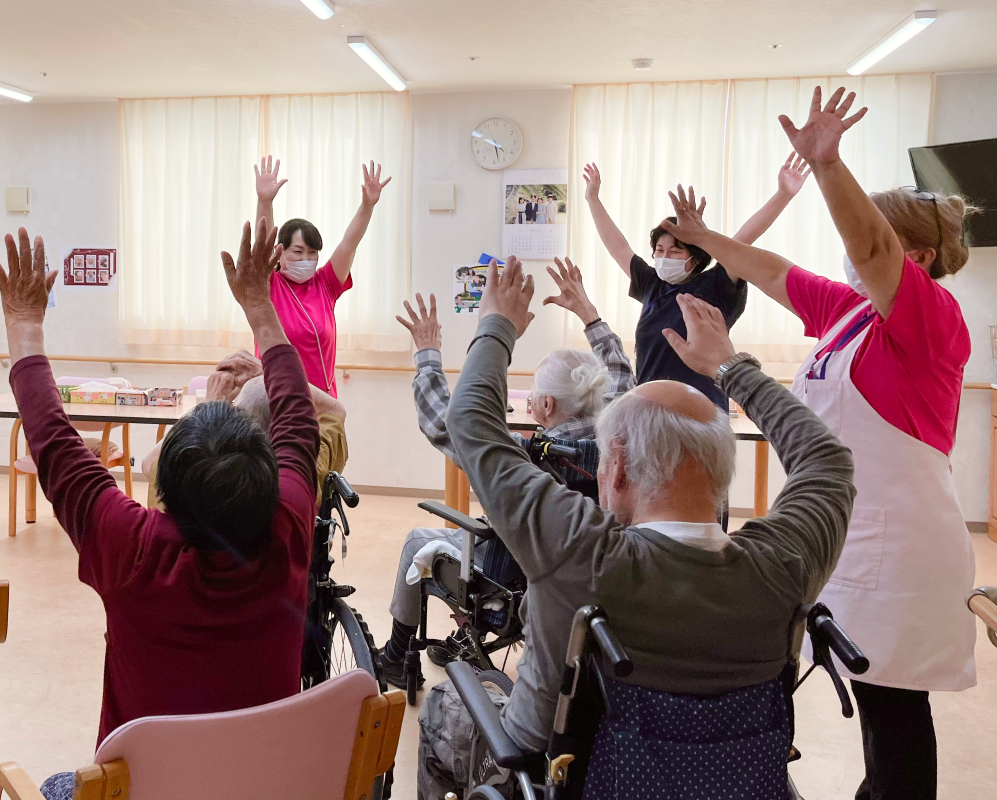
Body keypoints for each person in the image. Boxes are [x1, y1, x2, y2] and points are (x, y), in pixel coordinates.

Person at [417, 257, 855, 799]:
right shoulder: (784, 565)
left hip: (560, 766)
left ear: (617, 465)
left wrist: (497, 324)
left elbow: (469, 424)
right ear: (720, 471)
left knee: (443, 703)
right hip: (735, 782)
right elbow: (828, 462)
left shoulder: (577, 547)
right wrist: (731, 367)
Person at [658, 86, 976, 800]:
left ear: (915, 256)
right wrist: (706, 239)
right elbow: (770, 271)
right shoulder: (851, 312)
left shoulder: (930, 317)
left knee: (893, 709)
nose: (850, 254)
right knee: (872, 703)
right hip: (846, 531)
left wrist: (829, 166)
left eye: (874, 246)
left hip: (900, 545)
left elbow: (868, 242)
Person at [0, 218, 319, 782]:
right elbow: (296, 416)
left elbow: (52, 441)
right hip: (263, 787)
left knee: (54, 786)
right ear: (268, 477)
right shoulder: (289, 527)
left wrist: (25, 325)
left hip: (144, 789)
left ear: (165, 488)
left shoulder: (133, 549)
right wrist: (260, 309)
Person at [377, 259, 635, 688]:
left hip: (511, 582)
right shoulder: (619, 439)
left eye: (534, 396)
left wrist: (427, 354)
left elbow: (446, 420)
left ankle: (393, 656)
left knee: (417, 541)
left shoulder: (525, 457)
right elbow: (622, 374)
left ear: (547, 407)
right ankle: (464, 637)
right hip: (592, 575)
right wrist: (590, 314)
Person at [582, 153, 811, 407]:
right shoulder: (651, 285)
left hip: (702, 414)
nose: (665, 257)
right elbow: (618, 246)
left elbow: (742, 240)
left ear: (695, 258)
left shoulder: (714, 285)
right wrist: (593, 198)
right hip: (650, 409)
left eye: (675, 251)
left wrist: (784, 194)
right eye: (659, 250)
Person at [253, 155, 391, 397]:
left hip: (322, 403)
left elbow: (350, 243)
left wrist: (367, 206)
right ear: (280, 251)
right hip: (272, 400)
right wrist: (265, 201)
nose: (306, 259)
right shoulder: (268, 284)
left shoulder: (325, 283)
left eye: (312, 253)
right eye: (297, 251)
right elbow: (263, 242)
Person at [142, 352, 348, 509]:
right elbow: (335, 410)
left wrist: (209, 402)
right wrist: (268, 373)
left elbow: (150, 463)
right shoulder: (300, 481)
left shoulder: (187, 481)